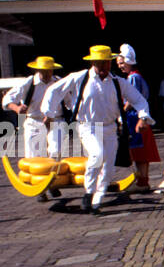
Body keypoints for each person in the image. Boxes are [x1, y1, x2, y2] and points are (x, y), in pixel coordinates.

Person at [42, 46, 153, 214]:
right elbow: (54, 90)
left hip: (110, 128)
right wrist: (49, 113)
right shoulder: (79, 78)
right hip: (88, 126)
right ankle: (88, 193)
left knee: (108, 166)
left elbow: (137, 98)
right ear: (93, 62)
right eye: (101, 63)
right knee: (97, 154)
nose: (104, 67)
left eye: (107, 63)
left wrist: (143, 117)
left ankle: (97, 200)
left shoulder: (117, 81)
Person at [4, 56, 63, 201]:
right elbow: (7, 100)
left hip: (55, 120)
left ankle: (52, 183)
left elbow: (70, 100)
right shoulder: (29, 83)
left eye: (49, 70)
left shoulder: (58, 82)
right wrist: (17, 108)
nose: (47, 74)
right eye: (44, 71)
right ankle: (40, 190)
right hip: (34, 121)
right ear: (38, 70)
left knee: (55, 151)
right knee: (35, 156)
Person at [117, 44, 161, 192]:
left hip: (135, 118)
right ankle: (142, 180)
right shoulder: (133, 77)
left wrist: (121, 112)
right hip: (135, 117)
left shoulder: (133, 78)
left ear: (129, 61)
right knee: (138, 150)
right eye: (119, 64)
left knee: (139, 151)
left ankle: (142, 181)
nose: (121, 67)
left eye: (122, 63)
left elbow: (132, 98)